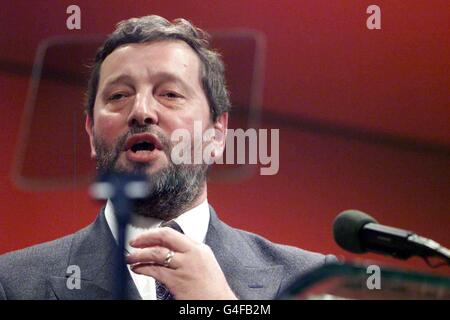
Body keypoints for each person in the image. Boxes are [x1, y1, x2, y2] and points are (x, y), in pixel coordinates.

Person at [0, 15, 336, 300]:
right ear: (90, 133)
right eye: (119, 95)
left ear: (217, 135)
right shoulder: (13, 283)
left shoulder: (310, 280)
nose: (141, 111)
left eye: (170, 94)